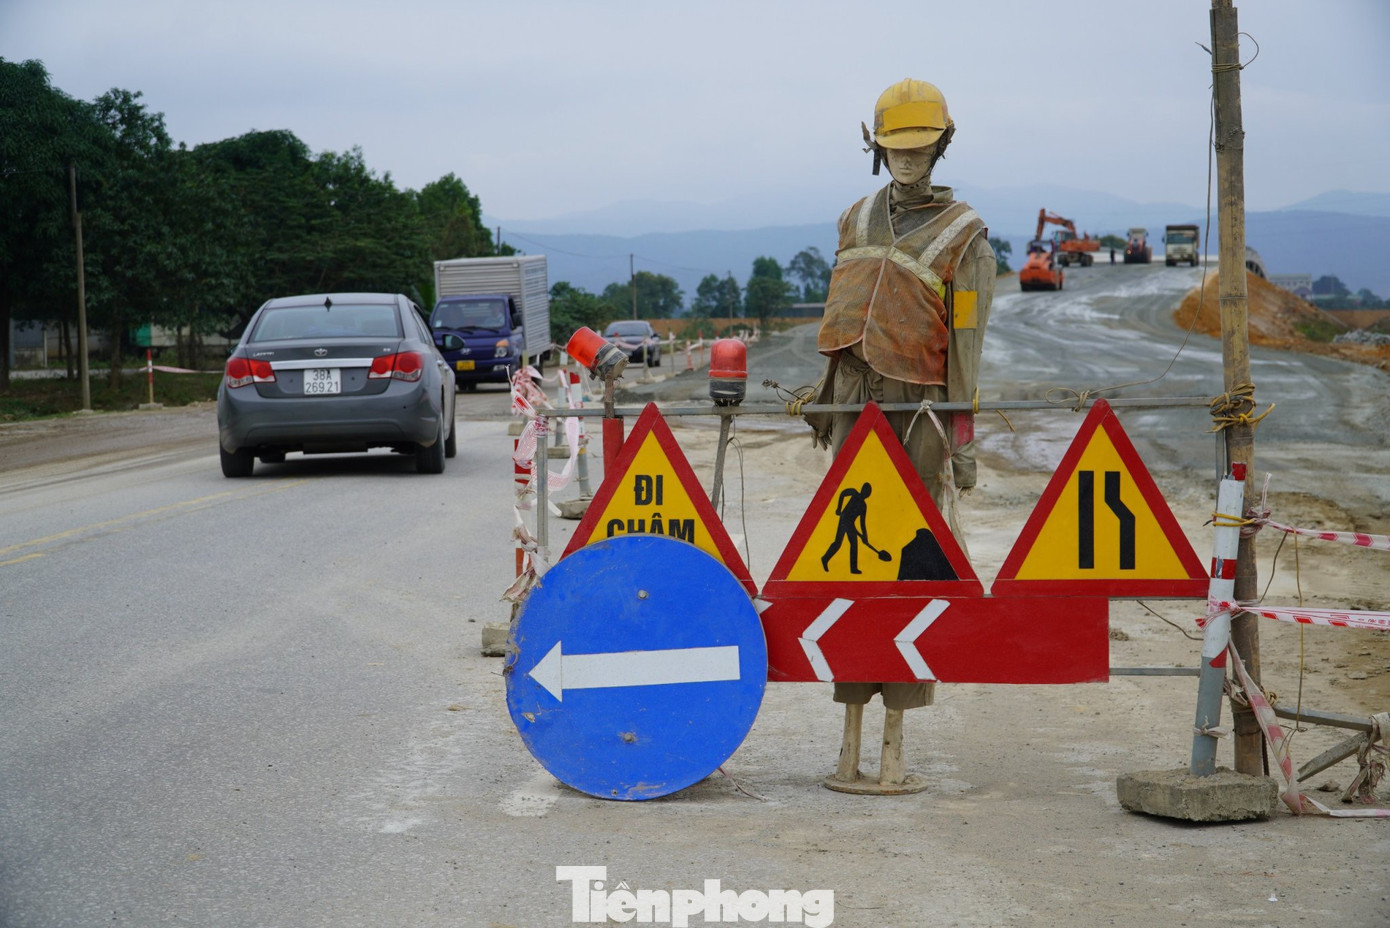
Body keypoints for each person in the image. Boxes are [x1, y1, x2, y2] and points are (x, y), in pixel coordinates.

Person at [806, 77, 995, 794]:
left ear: (943, 144)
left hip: (920, 414)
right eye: (895, 148)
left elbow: (969, 343)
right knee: (850, 566)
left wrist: (961, 438)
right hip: (854, 407)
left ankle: (894, 742)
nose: (908, 160)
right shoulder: (853, 219)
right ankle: (849, 733)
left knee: (911, 572)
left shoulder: (967, 237)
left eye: (920, 146)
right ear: (875, 147)